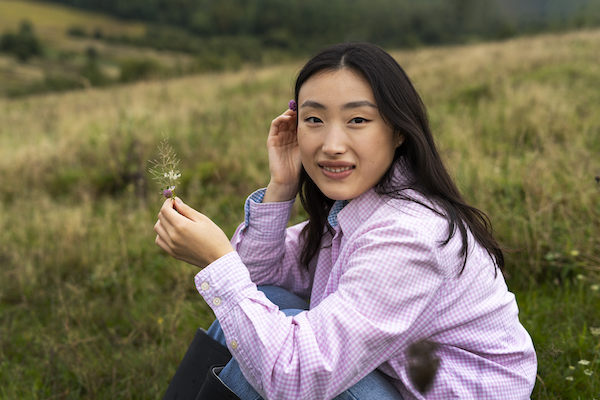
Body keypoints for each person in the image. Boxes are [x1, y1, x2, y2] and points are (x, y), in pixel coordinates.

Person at [154, 42, 537, 400]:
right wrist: (282, 185)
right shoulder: (357, 207)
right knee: (266, 305)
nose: (332, 144)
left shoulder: (407, 235)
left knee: (274, 345)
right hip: (398, 377)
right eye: (314, 119)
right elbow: (258, 278)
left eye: (357, 119)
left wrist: (218, 262)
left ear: (399, 130)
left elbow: (296, 375)